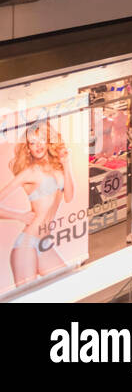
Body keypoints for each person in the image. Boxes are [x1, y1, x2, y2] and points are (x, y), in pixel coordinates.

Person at [0, 122, 76, 286]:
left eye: (41, 139)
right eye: (32, 143)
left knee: (68, 284)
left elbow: (69, 197)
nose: (38, 146)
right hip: (27, 244)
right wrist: (19, 215)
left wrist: (66, 164)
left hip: (44, 244)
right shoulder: (30, 172)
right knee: (28, 297)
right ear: (28, 148)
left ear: (48, 141)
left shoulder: (58, 168)